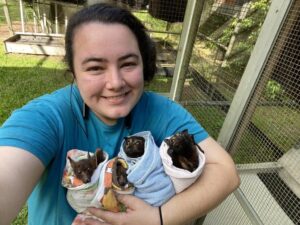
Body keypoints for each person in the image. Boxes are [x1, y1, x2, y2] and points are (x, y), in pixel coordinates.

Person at [0, 3, 240, 225]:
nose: (115, 83)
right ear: (73, 71)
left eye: (128, 64)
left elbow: (225, 172)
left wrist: (158, 218)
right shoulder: (47, 117)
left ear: (144, 64)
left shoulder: (162, 111)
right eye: (95, 67)